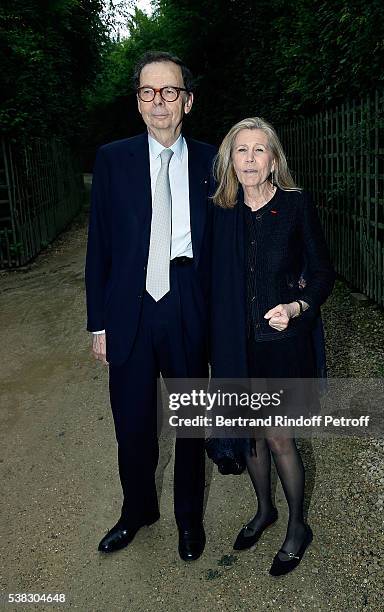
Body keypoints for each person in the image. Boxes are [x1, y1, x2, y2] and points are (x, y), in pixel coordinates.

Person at [85, 51, 216, 561]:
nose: (158, 101)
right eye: (147, 92)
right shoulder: (112, 159)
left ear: (187, 100)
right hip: (131, 305)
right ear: (138, 102)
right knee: (132, 421)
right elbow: (100, 247)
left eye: (169, 91)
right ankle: (137, 510)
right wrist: (98, 321)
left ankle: (189, 519)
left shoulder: (212, 160)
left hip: (187, 300)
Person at [211, 117, 335, 576]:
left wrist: (298, 305)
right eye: (240, 150)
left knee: (279, 434)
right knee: (250, 435)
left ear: (274, 159)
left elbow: (323, 273)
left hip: (283, 343)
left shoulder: (296, 206)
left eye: (259, 150)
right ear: (230, 159)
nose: (249, 159)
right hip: (236, 347)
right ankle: (264, 510)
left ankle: (297, 525)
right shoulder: (221, 213)